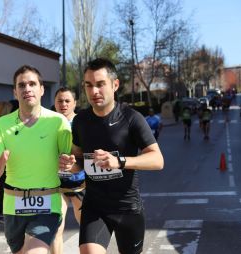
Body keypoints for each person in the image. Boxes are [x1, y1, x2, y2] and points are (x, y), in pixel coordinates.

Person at [59, 58, 164, 254]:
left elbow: (157, 160)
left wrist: (120, 162)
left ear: (115, 85)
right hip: (94, 207)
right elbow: (79, 160)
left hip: (127, 209)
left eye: (100, 84)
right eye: (88, 85)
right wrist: (70, 164)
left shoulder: (132, 118)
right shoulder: (81, 121)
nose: (94, 91)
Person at [0, 65, 72, 254]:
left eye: (32, 84)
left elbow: (69, 161)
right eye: (22, 85)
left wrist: (68, 163)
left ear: (41, 89)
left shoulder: (58, 122)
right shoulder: (1, 125)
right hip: (13, 206)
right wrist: (1, 160)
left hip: (48, 204)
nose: (27, 89)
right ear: (15, 92)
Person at [51, 87, 85, 254]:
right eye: (59, 101)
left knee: (87, 230)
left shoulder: (83, 122)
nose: (63, 104)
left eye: (67, 101)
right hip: (56, 184)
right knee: (56, 229)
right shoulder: (48, 122)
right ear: (54, 103)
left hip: (81, 182)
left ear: (74, 103)